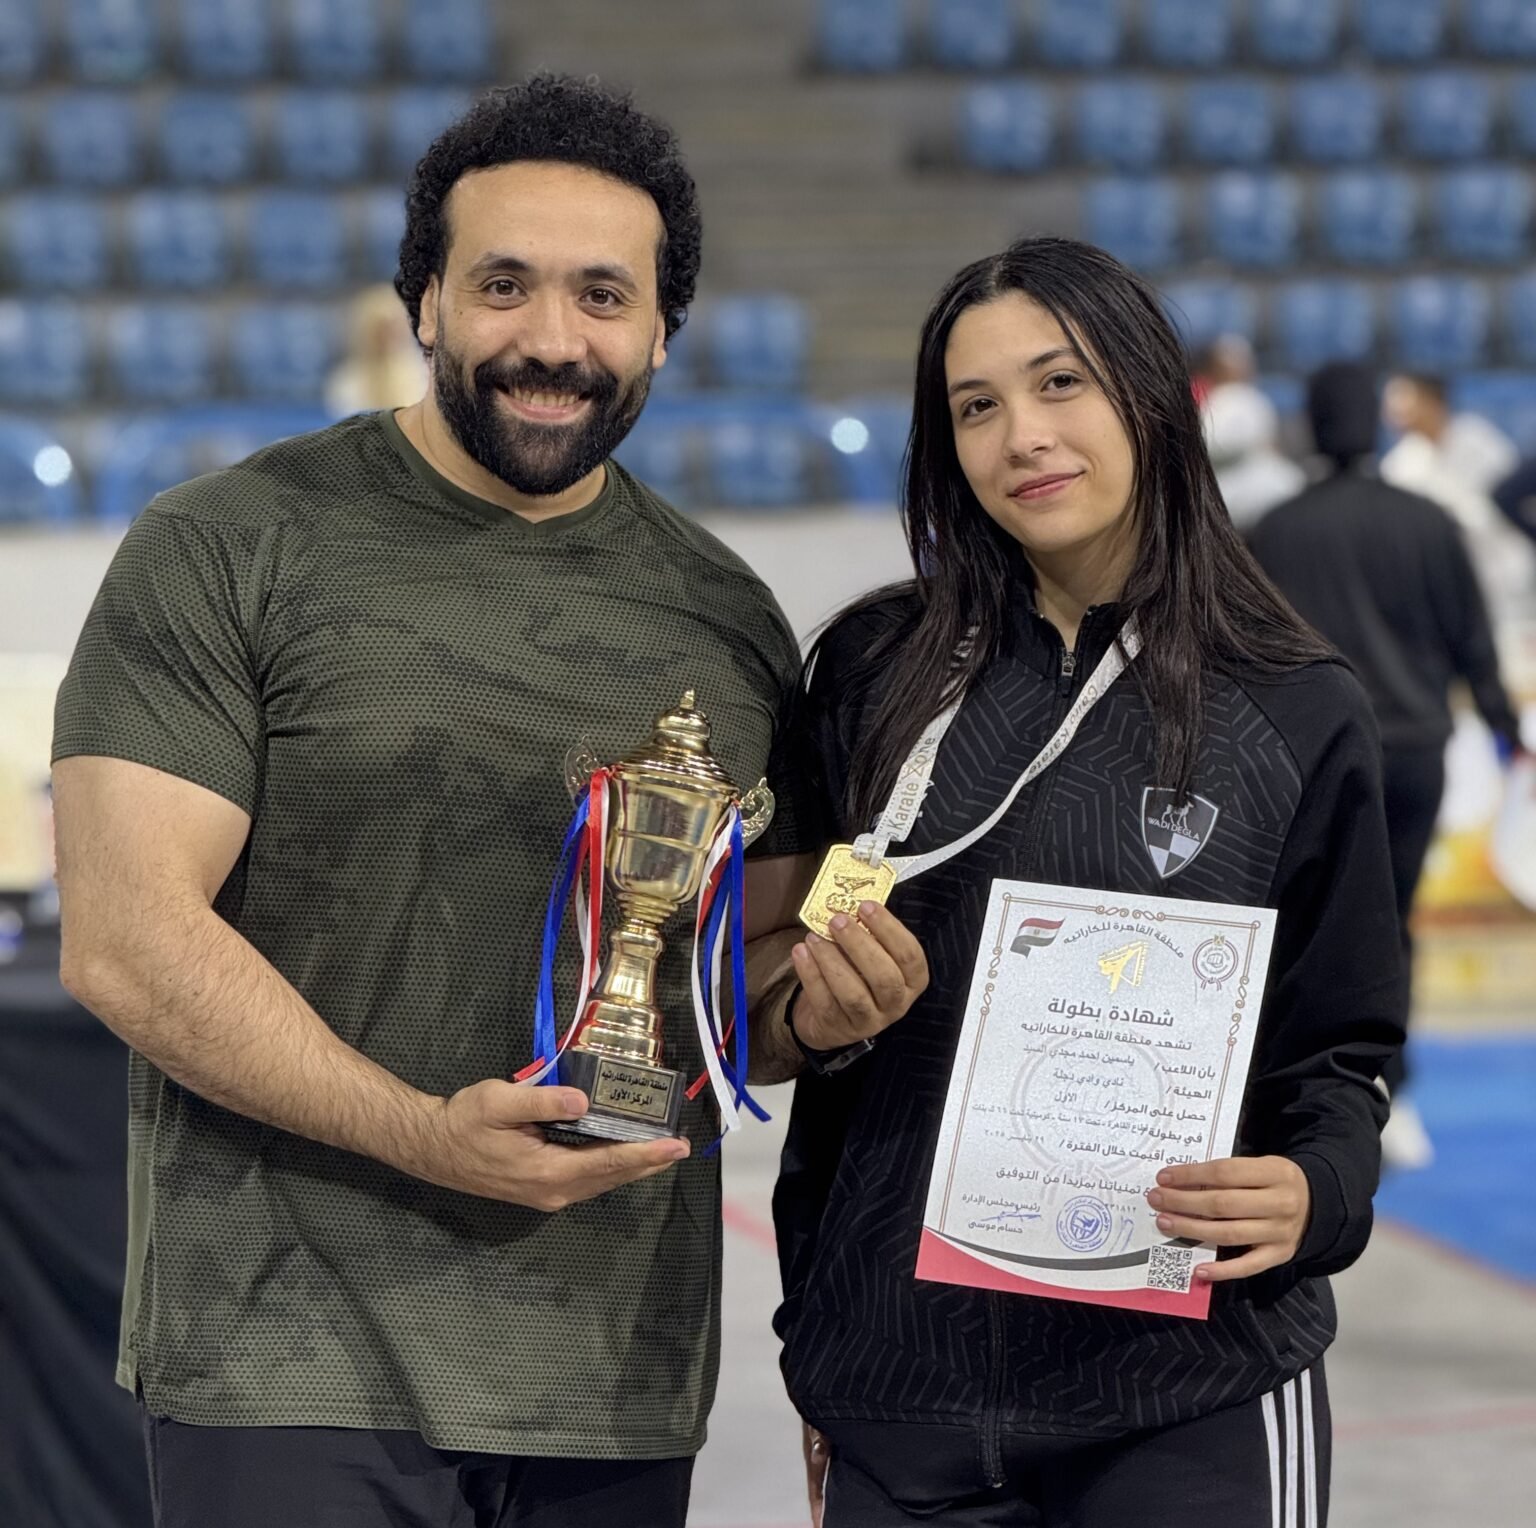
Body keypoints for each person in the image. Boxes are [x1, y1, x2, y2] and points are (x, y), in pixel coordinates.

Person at [50, 75, 921, 1528]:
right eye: (504, 284)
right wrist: (418, 1132)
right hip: (293, 1357)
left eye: (603, 295)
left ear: (663, 330)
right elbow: (127, 940)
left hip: (612, 1371)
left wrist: (827, 1008)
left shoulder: (726, 616)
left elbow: (740, 987)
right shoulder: (229, 545)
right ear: (426, 302)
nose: (553, 340)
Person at [766, 238, 1403, 1527]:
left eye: (1061, 383)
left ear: (1149, 393)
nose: (1023, 437)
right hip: (901, 1391)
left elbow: (1338, 1053)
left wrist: (1317, 1192)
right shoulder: (874, 675)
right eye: (976, 406)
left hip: (1187, 1394)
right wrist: (812, 1016)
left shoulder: (1294, 705)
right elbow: (777, 988)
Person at [1249, 362, 1526, 1170]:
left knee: (1294, 925)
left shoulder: (1274, 529)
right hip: (1411, 755)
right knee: (1390, 926)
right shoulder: (1428, 522)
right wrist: (1508, 730)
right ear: (1374, 420)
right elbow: (1473, 641)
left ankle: (1291, 1101)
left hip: (1301, 760)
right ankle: (1389, 1094)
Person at [1379, 371, 1534, 614]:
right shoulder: (1398, 467)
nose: (1396, 412)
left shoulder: (1477, 437)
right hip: (1446, 579)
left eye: (1405, 400)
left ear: (1432, 401)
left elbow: (1511, 494)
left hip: (1505, 568)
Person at [1192, 334, 1304, 535]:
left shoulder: (1248, 399)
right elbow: (1216, 444)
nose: (1242, 366)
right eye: (1232, 360)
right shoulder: (1218, 398)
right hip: (1227, 497)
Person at [324, 282, 429, 417]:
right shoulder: (346, 383)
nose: (391, 334)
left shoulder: (426, 376)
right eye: (382, 328)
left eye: (396, 325)